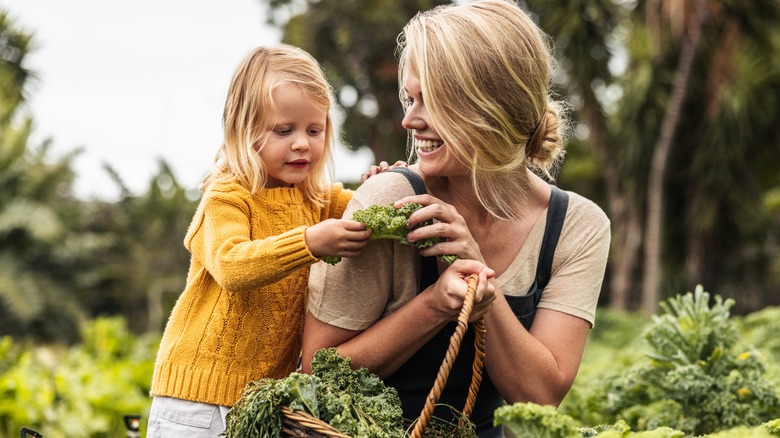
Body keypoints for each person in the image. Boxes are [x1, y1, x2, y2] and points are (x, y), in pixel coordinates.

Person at [301, 1, 611, 436]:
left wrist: (480, 279)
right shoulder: (391, 199)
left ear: (489, 107)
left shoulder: (576, 227)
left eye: (432, 102)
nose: (409, 120)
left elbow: (541, 395)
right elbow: (317, 371)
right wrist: (434, 306)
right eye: (411, 98)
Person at [146, 44, 378, 437]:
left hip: (260, 405)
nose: (302, 143)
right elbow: (233, 265)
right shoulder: (227, 196)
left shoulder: (318, 200)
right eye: (283, 131)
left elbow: (368, 208)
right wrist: (308, 243)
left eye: (314, 130)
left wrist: (383, 185)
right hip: (197, 404)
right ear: (245, 131)